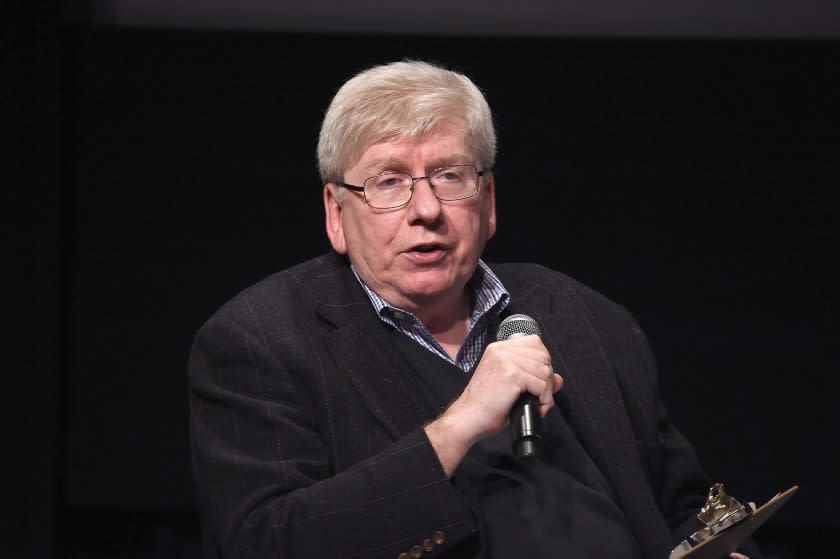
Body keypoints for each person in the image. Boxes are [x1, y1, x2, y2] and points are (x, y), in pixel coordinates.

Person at [189, 60, 760, 559]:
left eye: (450, 177)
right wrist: (459, 426)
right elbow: (262, 542)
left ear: (487, 203)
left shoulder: (583, 314)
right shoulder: (260, 339)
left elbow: (685, 502)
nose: (428, 210)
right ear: (337, 215)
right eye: (389, 182)